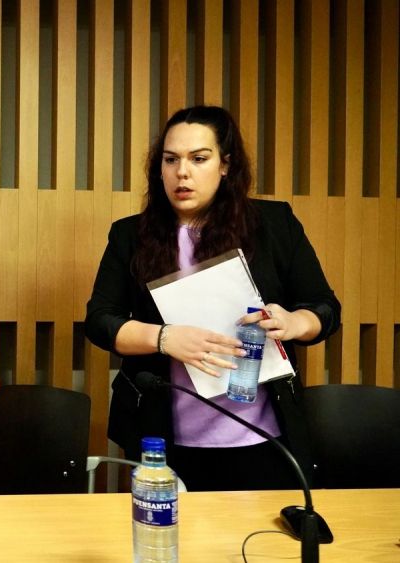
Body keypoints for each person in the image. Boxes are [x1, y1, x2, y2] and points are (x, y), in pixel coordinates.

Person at [85, 106, 340, 491]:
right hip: (164, 437)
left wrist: (294, 322)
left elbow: (324, 307)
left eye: (199, 159)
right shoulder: (130, 235)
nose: (182, 172)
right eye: (171, 160)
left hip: (263, 436)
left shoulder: (273, 224)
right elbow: (100, 321)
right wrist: (163, 338)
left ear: (225, 165)